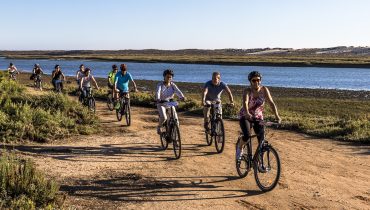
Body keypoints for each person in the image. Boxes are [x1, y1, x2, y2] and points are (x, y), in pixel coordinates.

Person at [236, 71, 282, 158]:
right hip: (245, 116)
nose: (256, 82)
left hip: (258, 117)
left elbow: (271, 103)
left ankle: (258, 160)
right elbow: (245, 103)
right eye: (254, 80)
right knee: (247, 135)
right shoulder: (247, 91)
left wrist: (277, 116)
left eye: (258, 80)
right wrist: (247, 113)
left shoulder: (264, 89)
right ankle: (240, 147)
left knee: (261, 140)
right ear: (250, 81)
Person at [155, 69, 186, 135]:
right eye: (167, 77)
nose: (169, 78)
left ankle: (172, 134)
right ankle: (159, 127)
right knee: (164, 117)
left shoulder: (173, 85)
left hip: (170, 103)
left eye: (170, 77)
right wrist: (158, 98)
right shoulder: (160, 84)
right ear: (164, 77)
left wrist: (182, 97)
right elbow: (158, 91)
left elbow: (178, 91)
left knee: (176, 120)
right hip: (161, 103)